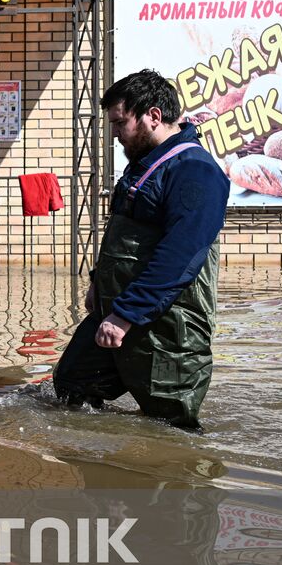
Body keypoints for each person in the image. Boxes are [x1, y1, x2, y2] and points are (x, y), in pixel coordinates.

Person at [53, 69, 230, 429]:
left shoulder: (195, 171)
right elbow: (123, 237)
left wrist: (126, 315)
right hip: (116, 310)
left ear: (152, 116)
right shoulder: (145, 166)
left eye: (120, 123)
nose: (115, 134)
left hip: (167, 325)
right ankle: (105, 471)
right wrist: (97, 285)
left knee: (169, 426)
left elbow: (182, 254)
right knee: (73, 385)